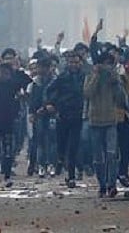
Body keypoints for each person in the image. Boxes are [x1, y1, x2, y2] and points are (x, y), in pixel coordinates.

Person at [0, 54, 32, 185]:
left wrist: (16, 69)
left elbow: (27, 80)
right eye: (1, 71)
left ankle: (7, 173)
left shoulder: (12, 84)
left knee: (8, 149)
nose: (3, 74)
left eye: (6, 72)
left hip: (9, 120)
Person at [84, 52, 127, 197]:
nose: (106, 67)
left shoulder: (113, 78)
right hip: (95, 121)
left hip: (110, 121)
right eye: (105, 63)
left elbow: (121, 98)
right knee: (98, 157)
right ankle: (102, 185)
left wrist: (116, 80)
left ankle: (111, 185)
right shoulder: (90, 76)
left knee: (111, 154)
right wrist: (96, 76)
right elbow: (88, 93)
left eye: (110, 64)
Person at [46, 51, 86, 188]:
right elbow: (49, 90)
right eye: (71, 62)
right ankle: (60, 159)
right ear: (67, 63)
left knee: (74, 146)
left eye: (76, 62)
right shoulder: (62, 77)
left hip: (78, 115)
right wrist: (50, 104)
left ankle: (71, 175)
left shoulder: (85, 77)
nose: (73, 65)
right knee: (61, 144)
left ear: (80, 62)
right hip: (63, 115)